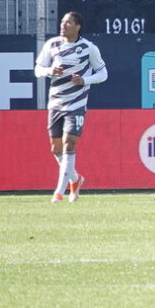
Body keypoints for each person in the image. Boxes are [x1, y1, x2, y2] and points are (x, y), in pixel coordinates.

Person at [34, 11, 106, 203]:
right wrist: (50, 71)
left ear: (78, 26)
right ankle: (76, 180)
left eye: (68, 22)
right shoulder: (52, 45)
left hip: (77, 103)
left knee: (69, 142)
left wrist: (84, 80)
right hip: (55, 102)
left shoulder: (88, 48)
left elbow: (103, 73)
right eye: (63, 22)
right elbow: (38, 69)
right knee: (55, 148)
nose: (63, 25)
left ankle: (59, 192)